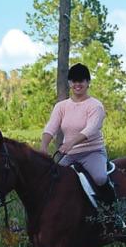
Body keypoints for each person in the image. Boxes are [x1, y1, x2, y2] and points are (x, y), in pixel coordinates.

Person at [41, 63, 116, 206]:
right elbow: (51, 127)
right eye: (74, 81)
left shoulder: (95, 106)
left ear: (88, 82)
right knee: (52, 179)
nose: (77, 84)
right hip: (70, 155)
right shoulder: (61, 106)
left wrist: (70, 143)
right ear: (69, 83)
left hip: (92, 152)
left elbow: (91, 128)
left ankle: (112, 212)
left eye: (81, 80)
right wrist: (43, 147)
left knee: (100, 178)